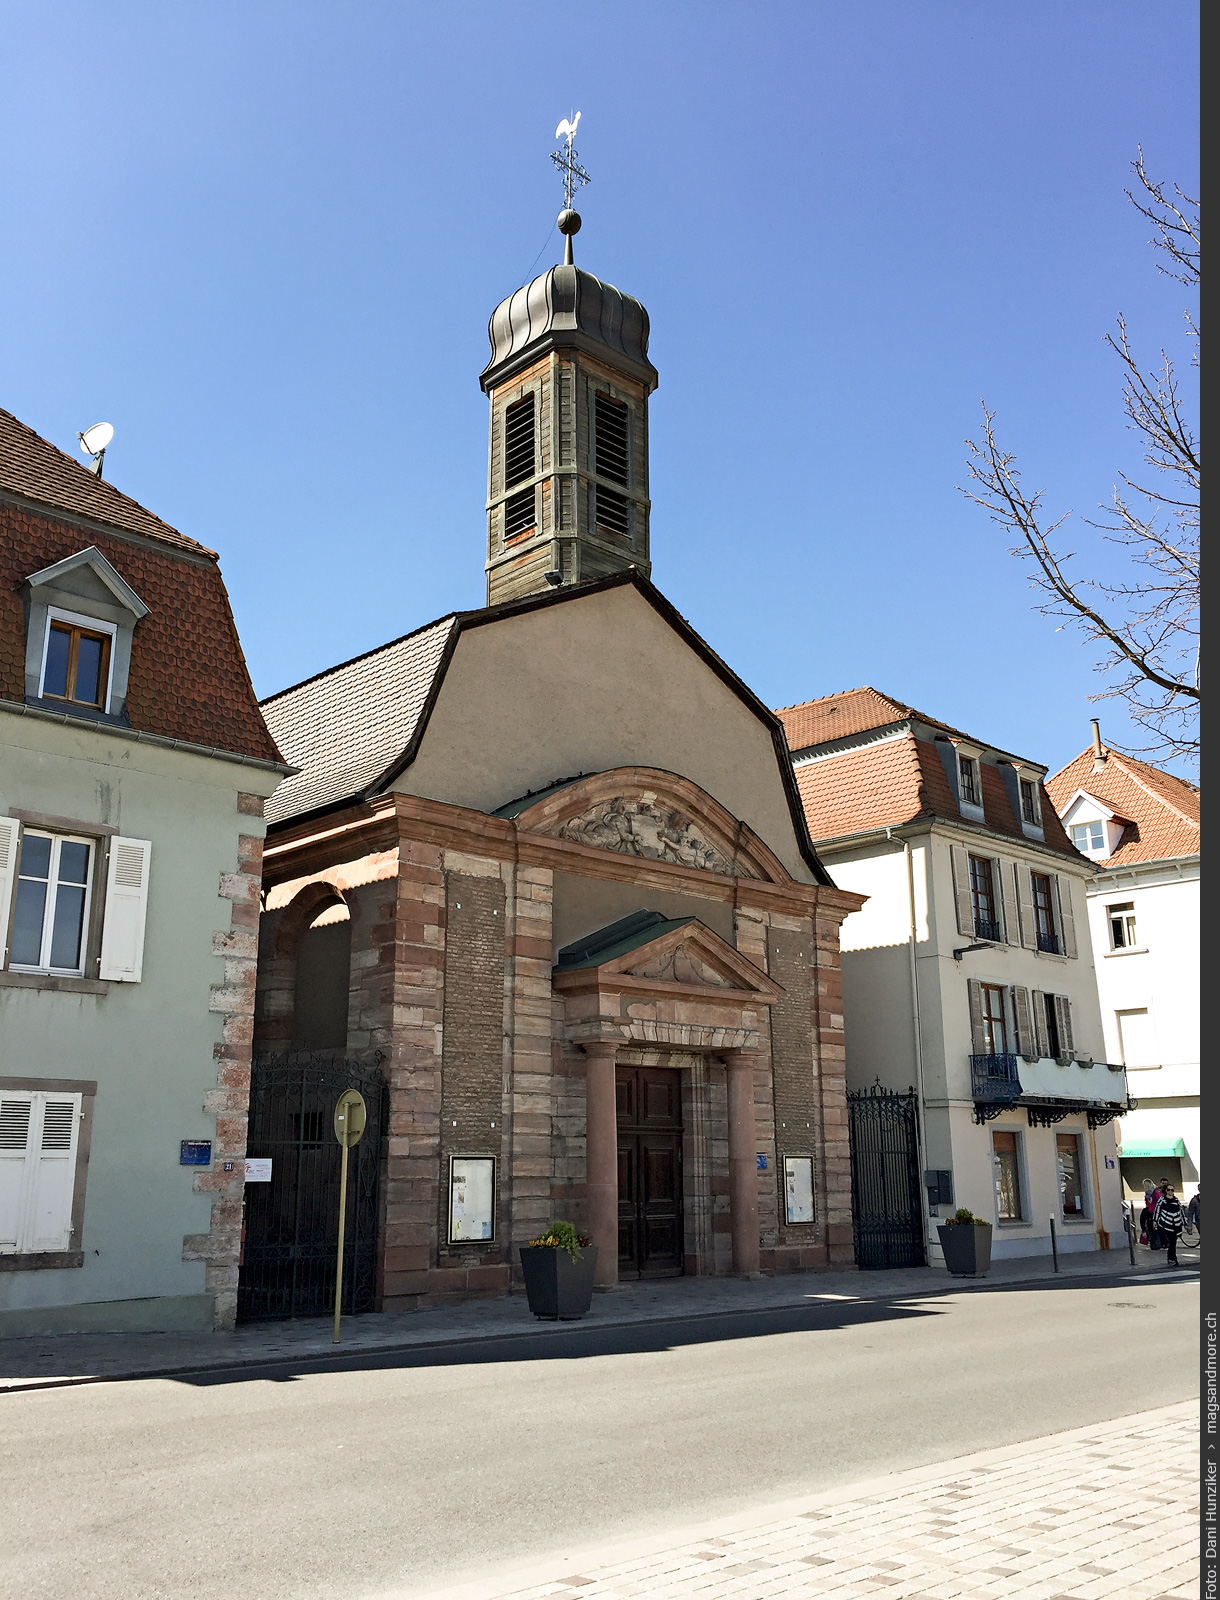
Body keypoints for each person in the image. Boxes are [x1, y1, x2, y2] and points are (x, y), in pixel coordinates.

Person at [1153, 1183, 1187, 1267]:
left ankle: (1172, 1258)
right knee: (1170, 1242)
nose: (1170, 1191)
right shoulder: (1162, 1200)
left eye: (1172, 1190)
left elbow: (1181, 1212)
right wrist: (1155, 1221)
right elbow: (1157, 1210)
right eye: (1169, 1190)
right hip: (1165, 1224)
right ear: (1165, 1190)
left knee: (1173, 1242)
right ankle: (1171, 1258)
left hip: (1175, 1225)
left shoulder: (1176, 1200)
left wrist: (1184, 1223)